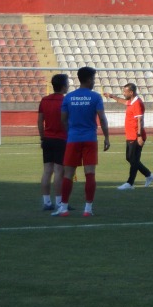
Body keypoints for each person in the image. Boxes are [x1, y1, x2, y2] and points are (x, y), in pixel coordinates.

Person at [53, 66, 110, 217]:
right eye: (94, 79)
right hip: (90, 139)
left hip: (73, 139)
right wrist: (107, 137)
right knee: (90, 173)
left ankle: (64, 208)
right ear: (89, 79)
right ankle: (87, 209)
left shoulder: (69, 97)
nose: (94, 82)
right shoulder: (95, 97)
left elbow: (63, 119)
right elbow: (102, 119)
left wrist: (70, 132)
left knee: (68, 174)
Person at [37, 73, 67, 210]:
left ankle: (46, 202)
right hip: (61, 139)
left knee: (47, 171)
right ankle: (59, 202)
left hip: (48, 139)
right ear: (63, 86)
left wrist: (42, 137)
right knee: (59, 171)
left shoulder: (44, 100)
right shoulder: (65, 101)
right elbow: (66, 121)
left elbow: (39, 121)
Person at [116, 82, 153, 190]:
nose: (123, 93)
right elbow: (124, 102)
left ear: (131, 92)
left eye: (125, 91)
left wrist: (139, 135)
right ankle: (148, 175)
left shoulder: (137, 103)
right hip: (131, 135)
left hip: (136, 136)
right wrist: (112, 96)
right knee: (130, 158)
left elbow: (140, 120)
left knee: (133, 159)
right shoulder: (132, 101)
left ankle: (130, 183)